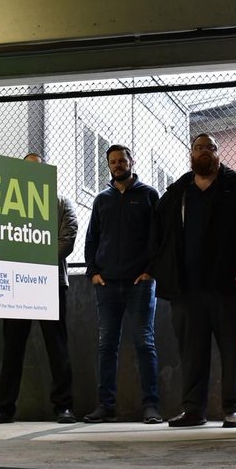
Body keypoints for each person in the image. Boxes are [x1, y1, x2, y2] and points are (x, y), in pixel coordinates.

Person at [148, 134, 236, 428]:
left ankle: (234, 408)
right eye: (199, 148)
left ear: (218, 153)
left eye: (210, 148)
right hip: (186, 288)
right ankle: (193, 410)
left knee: (233, 349)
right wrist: (160, 268)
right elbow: (157, 232)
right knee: (191, 351)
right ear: (191, 154)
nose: (204, 153)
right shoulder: (178, 192)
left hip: (228, 285)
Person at [0, 153, 79, 424]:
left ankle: (64, 407)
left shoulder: (61, 202)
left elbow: (68, 241)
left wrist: (33, 261)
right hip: (16, 285)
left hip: (49, 284)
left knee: (57, 346)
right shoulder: (10, 205)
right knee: (12, 348)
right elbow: (0, 239)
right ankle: (5, 409)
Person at [83, 145, 162, 424]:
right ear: (109, 165)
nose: (117, 165)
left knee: (144, 343)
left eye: (121, 160)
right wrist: (92, 271)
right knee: (107, 346)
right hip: (106, 284)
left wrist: (150, 271)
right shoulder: (101, 199)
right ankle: (105, 406)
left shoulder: (149, 195)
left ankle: (151, 406)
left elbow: (159, 238)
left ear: (132, 162)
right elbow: (91, 238)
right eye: (113, 162)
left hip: (139, 283)